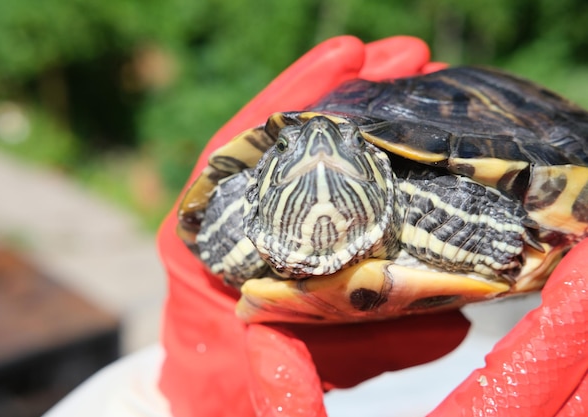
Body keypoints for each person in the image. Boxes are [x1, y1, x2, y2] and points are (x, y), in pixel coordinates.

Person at [45, 35, 588, 417]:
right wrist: (182, 401)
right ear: (263, 187)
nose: (319, 150)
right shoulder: (246, 216)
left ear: (376, 169)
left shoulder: (417, 192)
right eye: (290, 148)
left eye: (348, 149)